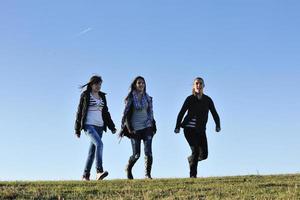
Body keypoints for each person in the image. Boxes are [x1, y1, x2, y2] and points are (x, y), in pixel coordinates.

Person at [174, 77, 221, 178]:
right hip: (189, 129)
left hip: (200, 130)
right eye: (196, 84)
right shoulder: (190, 99)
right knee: (195, 150)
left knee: (204, 155)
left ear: (203, 86)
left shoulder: (208, 100)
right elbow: (181, 112)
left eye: (200, 84)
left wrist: (218, 125)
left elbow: (214, 113)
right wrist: (177, 126)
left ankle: (192, 159)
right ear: (194, 86)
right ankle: (193, 176)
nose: (198, 85)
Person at [75, 75, 117, 181]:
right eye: (96, 84)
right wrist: (77, 129)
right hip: (89, 125)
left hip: (100, 126)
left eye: (100, 84)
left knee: (92, 152)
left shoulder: (102, 96)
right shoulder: (85, 95)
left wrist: (112, 127)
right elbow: (80, 112)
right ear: (91, 84)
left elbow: (106, 112)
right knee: (100, 144)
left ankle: (85, 175)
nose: (98, 86)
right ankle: (99, 171)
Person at [119, 76, 156, 179]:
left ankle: (147, 175)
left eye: (143, 83)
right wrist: (129, 129)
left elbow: (151, 113)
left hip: (147, 127)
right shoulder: (130, 98)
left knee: (148, 152)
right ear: (135, 85)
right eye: (139, 83)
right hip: (134, 129)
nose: (141, 85)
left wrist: (153, 126)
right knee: (136, 155)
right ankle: (128, 168)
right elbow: (126, 114)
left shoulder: (148, 98)